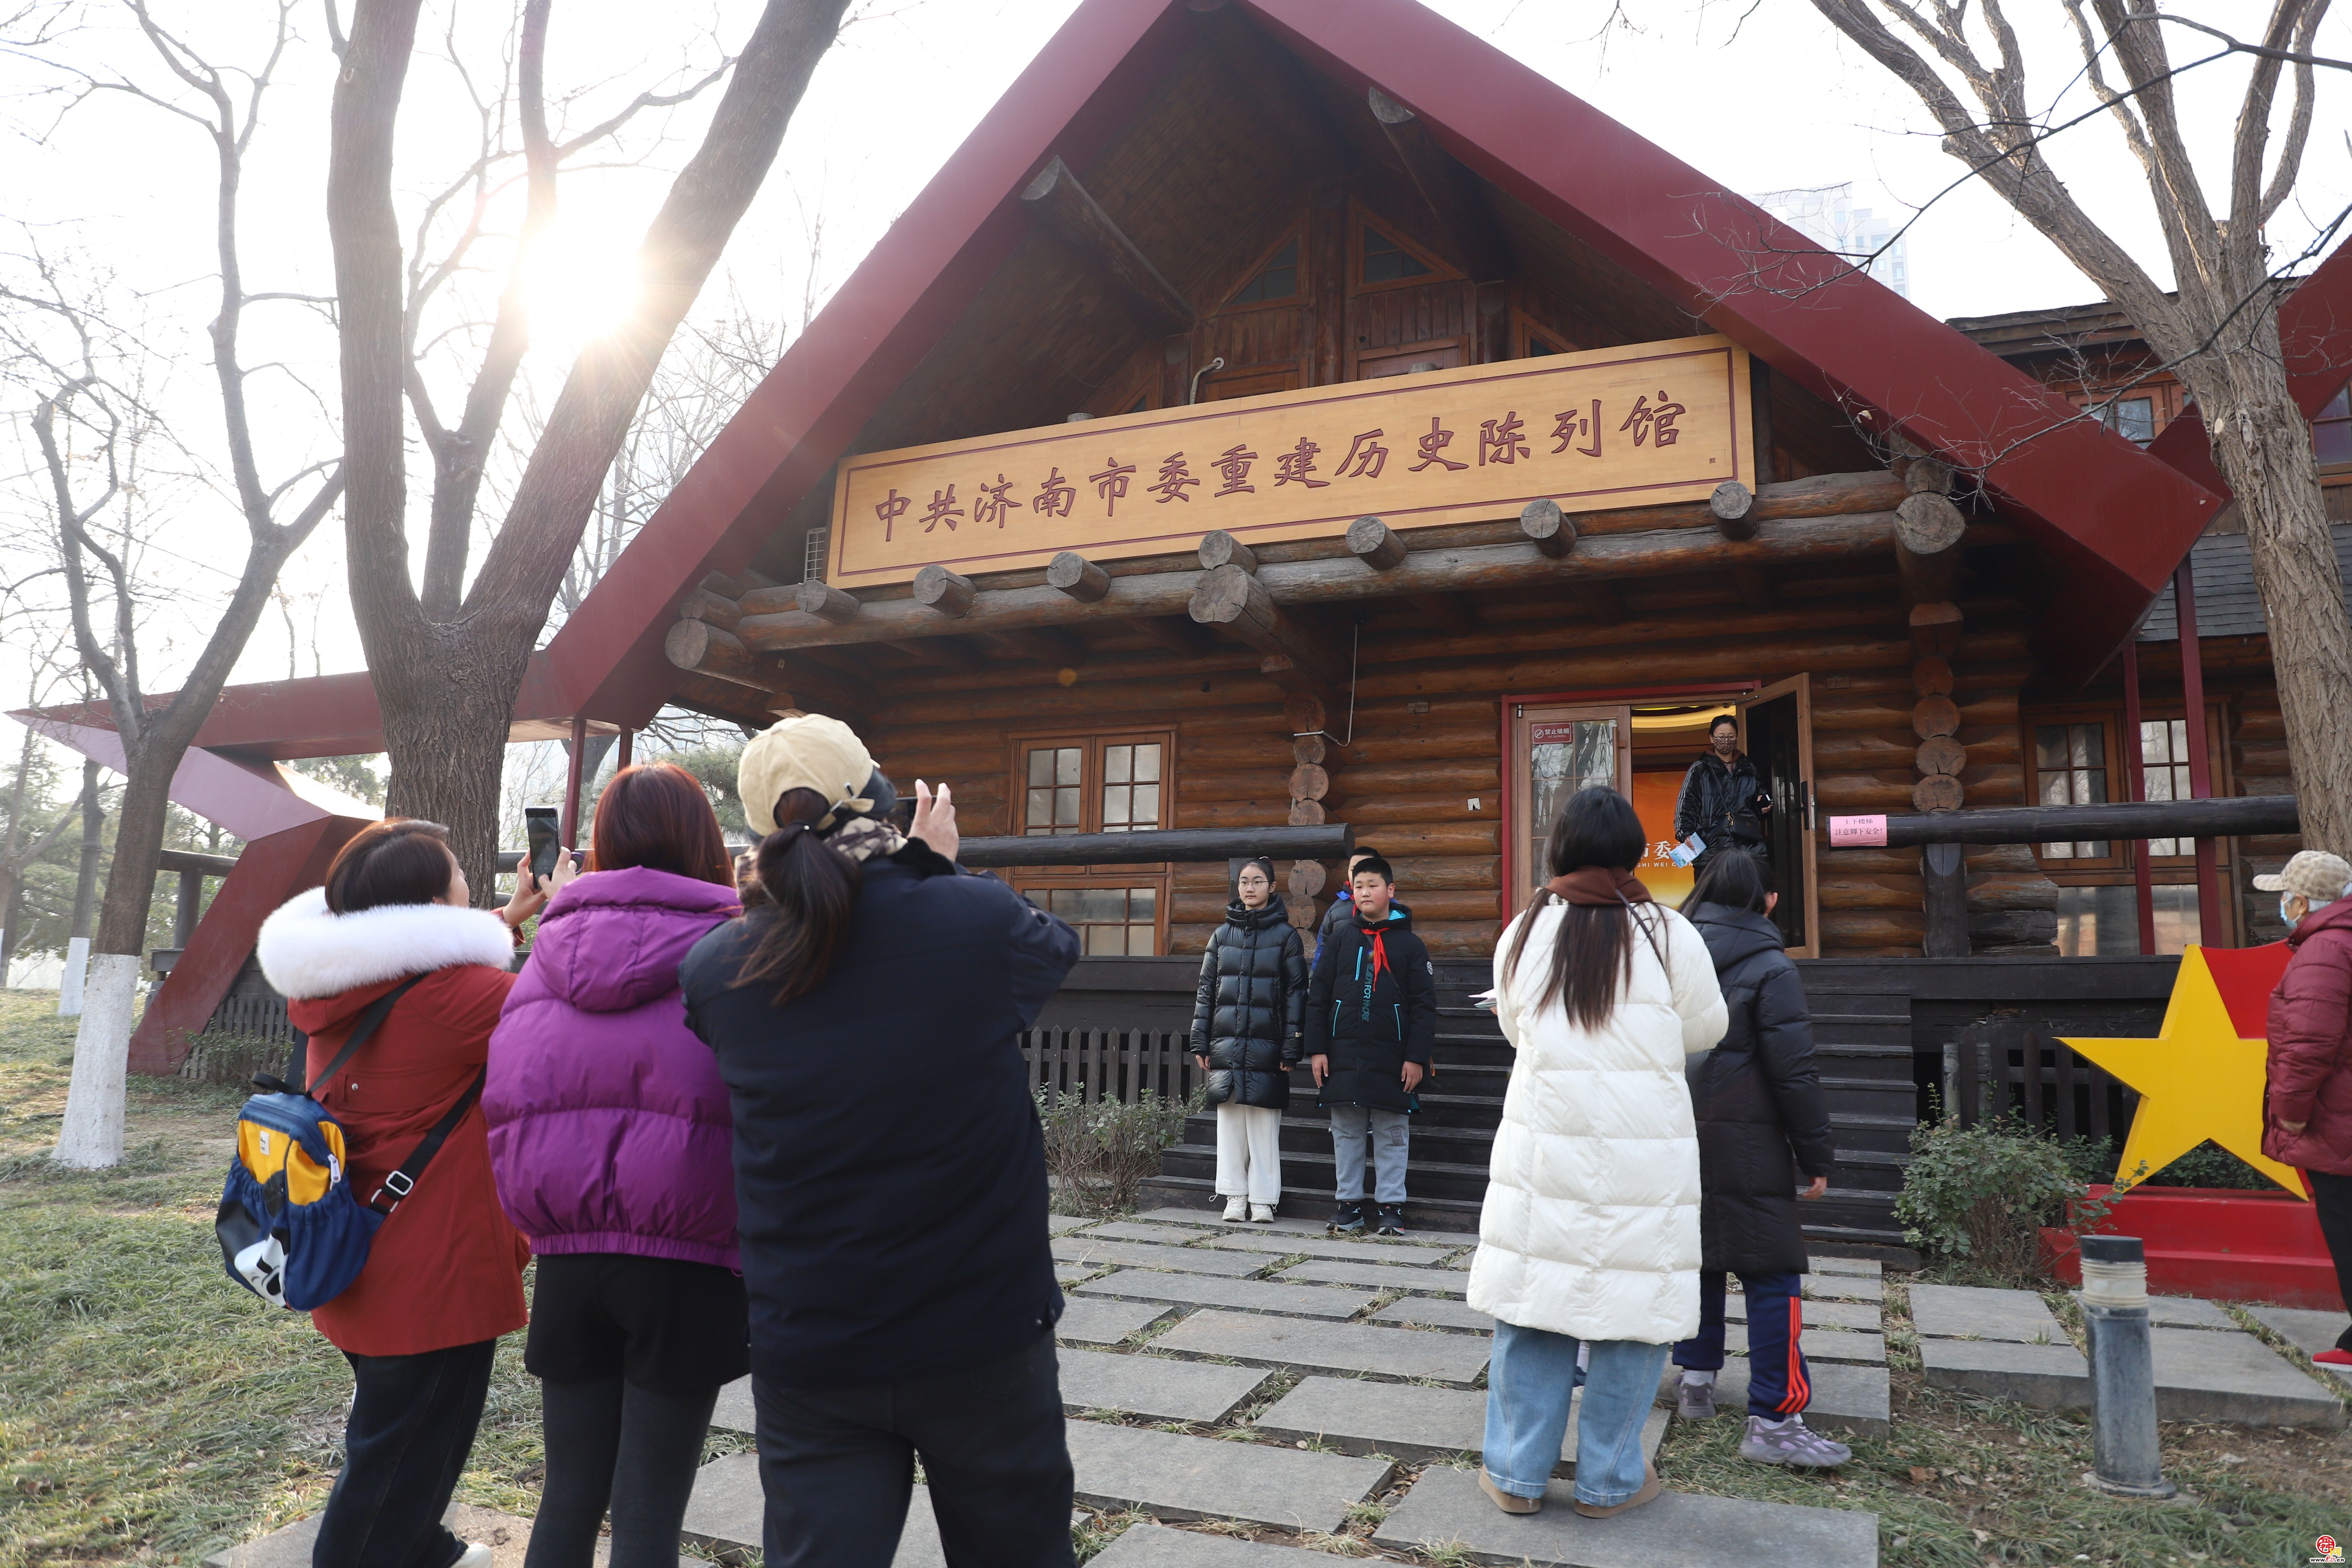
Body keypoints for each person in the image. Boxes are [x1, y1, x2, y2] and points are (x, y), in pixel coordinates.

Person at [678, 715, 1082, 1568]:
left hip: (811, 1338)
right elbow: (1053, 952)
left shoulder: (717, 971)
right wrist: (931, 868)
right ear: (881, 799)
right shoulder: (972, 919)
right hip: (982, 1326)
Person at [254, 818, 566, 1568]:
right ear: (432, 898)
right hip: (434, 1272)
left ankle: (422, 1547)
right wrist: (567, 913)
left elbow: (428, 978)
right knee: (399, 1462)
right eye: (459, 870)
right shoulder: (460, 996)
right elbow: (565, 1006)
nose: (468, 879)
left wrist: (512, 918)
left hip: (359, 1255)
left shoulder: (340, 981)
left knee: (395, 1436)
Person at [485, 764, 750, 1568]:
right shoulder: (736, 952)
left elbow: (508, 1094)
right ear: (708, 842)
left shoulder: (542, 961)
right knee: (647, 1513)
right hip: (688, 1260)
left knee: (567, 1496)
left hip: (569, 1260)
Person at [1468, 785, 1727, 1519]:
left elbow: (1515, 1027)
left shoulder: (1525, 928)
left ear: (1560, 847)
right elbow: (1706, 1028)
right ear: (1629, 849)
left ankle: (1516, 1476)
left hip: (1545, 1143)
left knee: (1532, 1300)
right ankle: (1611, 1481)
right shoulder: (1669, 932)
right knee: (1635, 1308)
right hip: (1645, 1152)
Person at [1666, 850, 1847, 1466]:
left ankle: (1694, 1377)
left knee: (1700, 1258)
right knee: (1773, 1275)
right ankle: (1776, 1415)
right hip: (1750, 1140)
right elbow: (1794, 1073)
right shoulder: (1773, 968)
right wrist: (1814, 1152)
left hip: (1677, 1133)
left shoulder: (1671, 959)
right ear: (1768, 902)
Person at [1308, 853, 1435, 1237]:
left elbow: (1424, 1007)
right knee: (1345, 1130)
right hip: (1343, 1054)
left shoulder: (1411, 945)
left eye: (1373, 885)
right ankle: (1349, 1206)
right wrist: (1317, 1048)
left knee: (1392, 1131)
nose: (1365, 892)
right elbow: (1319, 995)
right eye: (1358, 886)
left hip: (1393, 1057)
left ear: (1390, 891)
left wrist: (1416, 1056)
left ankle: (1391, 1207)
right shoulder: (1341, 938)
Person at [2260, 849, 2352, 1364]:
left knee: (2346, 1220)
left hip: (2338, 1114)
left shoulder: (2324, 951)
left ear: (2301, 900)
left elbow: (2308, 1044)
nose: (2282, 906)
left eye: (2284, 896)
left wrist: (2291, 1112)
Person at [1191, 855, 1307, 1223]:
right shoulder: (1222, 935)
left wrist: (1292, 1044)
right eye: (1244, 881)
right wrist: (1200, 1039)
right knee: (1230, 1124)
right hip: (1226, 1043)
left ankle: (1262, 1199)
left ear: (1272, 887)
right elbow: (1207, 990)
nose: (1250, 887)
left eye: (1258, 881)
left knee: (1262, 1126)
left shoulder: (1286, 936)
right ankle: (1235, 1196)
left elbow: (1296, 994)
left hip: (1267, 1045)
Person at [1673, 713, 1772, 873]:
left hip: (1747, 847)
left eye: (1731, 737)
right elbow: (1686, 805)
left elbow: (1760, 798)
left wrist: (1765, 807)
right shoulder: (1700, 769)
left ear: (1736, 737)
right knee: (1713, 896)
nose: (1726, 741)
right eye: (1721, 737)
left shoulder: (1748, 768)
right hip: (1711, 847)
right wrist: (1686, 833)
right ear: (1712, 738)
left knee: (1747, 895)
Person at [1314, 844, 1409, 958]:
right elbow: (1323, 949)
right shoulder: (1336, 910)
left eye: (1367, 867)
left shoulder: (1394, 911)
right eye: (1355, 869)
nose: (1361, 873)